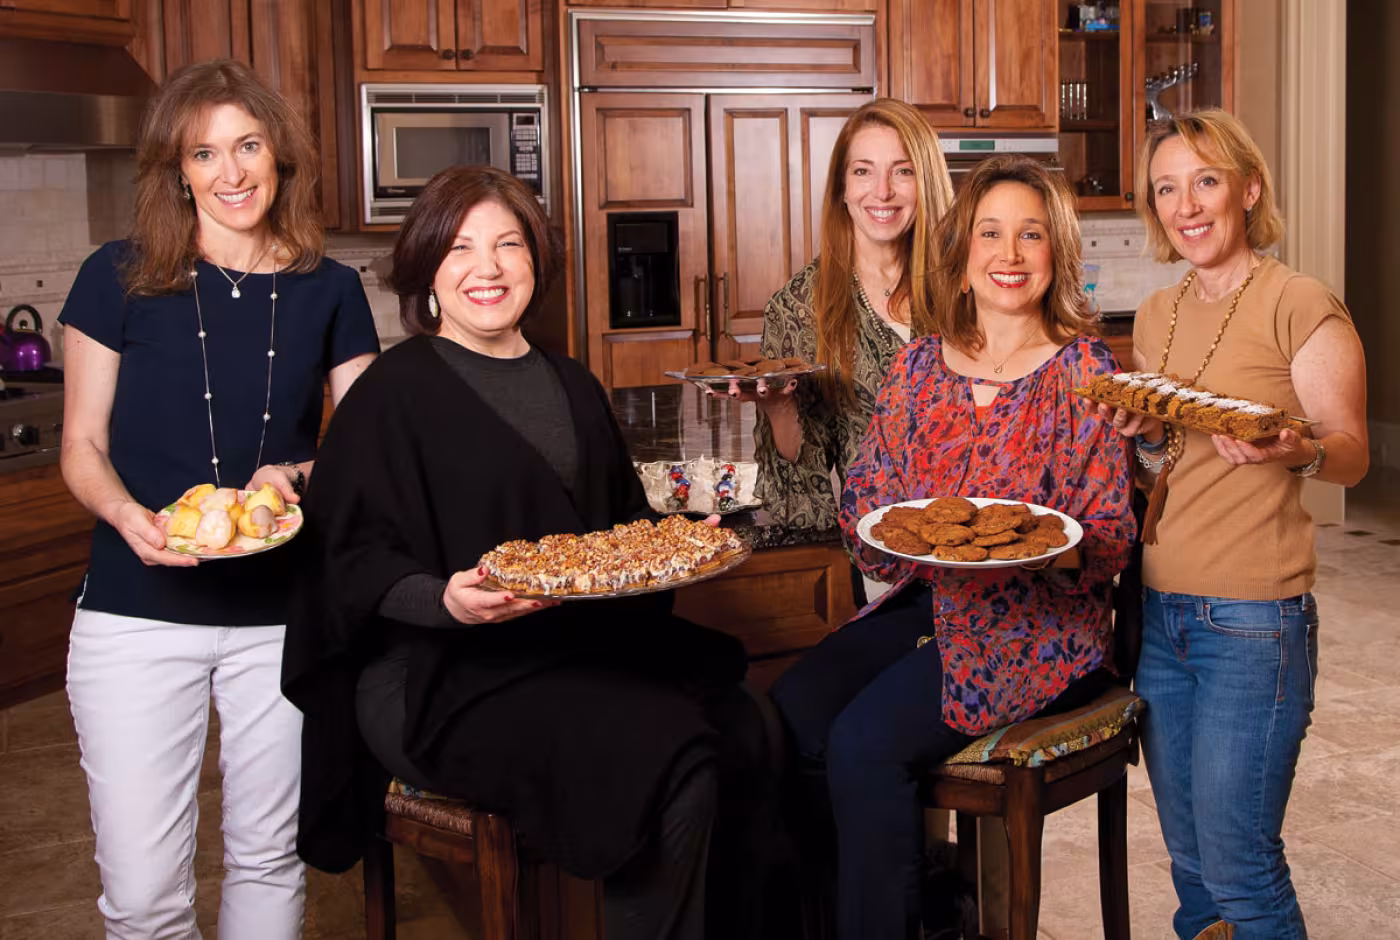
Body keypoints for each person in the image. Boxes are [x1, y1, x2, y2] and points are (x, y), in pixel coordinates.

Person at [281, 165, 779, 940]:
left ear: (535, 261)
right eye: (461, 249)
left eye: (509, 244)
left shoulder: (573, 383)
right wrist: (444, 600)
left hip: (570, 652)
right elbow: (346, 560)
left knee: (751, 724)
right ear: (427, 271)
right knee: (665, 755)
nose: (488, 267)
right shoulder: (390, 391)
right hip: (433, 678)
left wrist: (674, 543)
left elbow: (614, 533)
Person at [770, 155, 1136, 940]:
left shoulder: (1087, 375)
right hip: (929, 604)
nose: (1009, 254)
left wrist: (1042, 553)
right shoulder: (919, 369)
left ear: (1056, 254)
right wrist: (893, 541)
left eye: (1030, 235)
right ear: (962, 255)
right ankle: (909, 912)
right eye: (990, 233)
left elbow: (1105, 540)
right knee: (792, 713)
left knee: (864, 745)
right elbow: (870, 497)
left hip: (1039, 632)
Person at [57, 59, 378, 938]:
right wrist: (126, 517)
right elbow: (81, 445)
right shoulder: (115, 276)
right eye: (205, 154)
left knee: (268, 861)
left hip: (282, 617)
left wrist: (299, 476)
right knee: (144, 896)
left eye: (248, 147)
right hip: (135, 613)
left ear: (280, 157)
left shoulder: (334, 289)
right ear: (178, 170)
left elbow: (366, 448)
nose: (231, 173)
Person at [1098, 108, 1368, 940]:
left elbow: (1353, 453)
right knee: (1192, 870)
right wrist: (1144, 444)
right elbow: (1168, 472)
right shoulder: (1155, 314)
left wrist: (1294, 449)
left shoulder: (1298, 302)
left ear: (1248, 188)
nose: (1188, 205)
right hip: (1162, 613)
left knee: (1241, 864)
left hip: (1251, 623)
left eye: (1206, 181)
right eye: (1168, 188)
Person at [748, 98, 953, 552]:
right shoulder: (800, 307)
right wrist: (780, 409)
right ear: (841, 187)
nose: (882, 192)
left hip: (984, 533)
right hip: (883, 546)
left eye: (903, 171)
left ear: (927, 182)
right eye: (863, 171)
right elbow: (801, 485)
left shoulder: (965, 285)